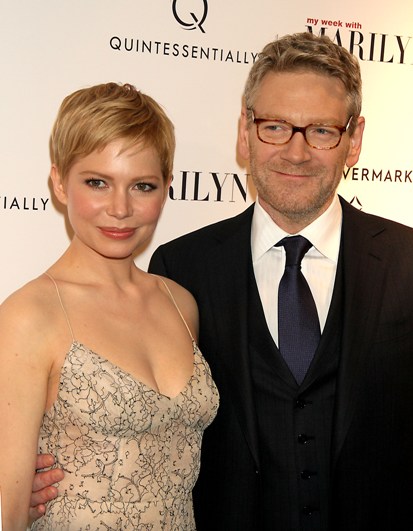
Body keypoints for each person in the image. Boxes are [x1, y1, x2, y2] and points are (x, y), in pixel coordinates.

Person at [31, 32, 413, 530]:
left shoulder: (407, 262)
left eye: (321, 130)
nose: (296, 152)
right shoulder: (180, 270)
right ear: (245, 132)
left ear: (354, 140)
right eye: (275, 126)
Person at [0, 82, 219, 530]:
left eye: (142, 185)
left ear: (166, 188)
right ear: (59, 182)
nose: (120, 208)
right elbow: (8, 510)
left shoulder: (180, 303)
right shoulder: (30, 316)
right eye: (97, 182)